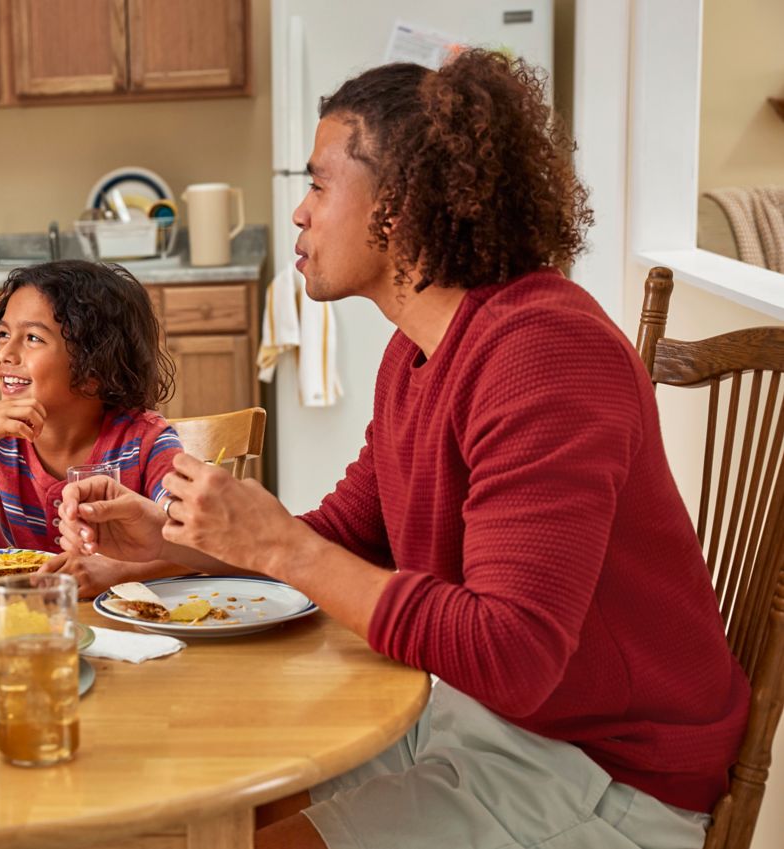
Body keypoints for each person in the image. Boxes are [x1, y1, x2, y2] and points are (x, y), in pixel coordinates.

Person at [55, 51, 749, 849]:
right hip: (477, 719)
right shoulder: (416, 353)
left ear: (402, 204)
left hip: (603, 775)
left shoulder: (544, 354)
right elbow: (349, 533)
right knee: (214, 817)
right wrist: (176, 547)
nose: (299, 215)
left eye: (317, 185)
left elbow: (512, 650)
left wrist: (278, 543)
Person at [0, 260, 187, 593]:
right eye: (3, 334)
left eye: (32, 338)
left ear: (95, 364)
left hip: (124, 622)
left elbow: (200, 546)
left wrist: (118, 571)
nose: (6, 354)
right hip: (17, 623)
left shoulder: (145, 442)